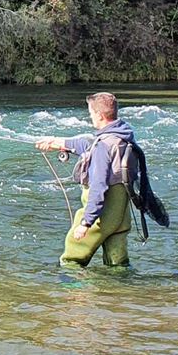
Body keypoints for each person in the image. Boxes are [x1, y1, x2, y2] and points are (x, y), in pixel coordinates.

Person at [36, 92, 137, 267]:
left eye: (91, 113)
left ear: (99, 115)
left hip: (102, 216)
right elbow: (88, 145)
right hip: (121, 216)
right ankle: (122, 293)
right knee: (118, 265)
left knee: (71, 260)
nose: (90, 116)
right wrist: (58, 143)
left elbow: (98, 185)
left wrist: (86, 222)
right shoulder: (123, 136)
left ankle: (73, 292)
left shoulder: (103, 146)